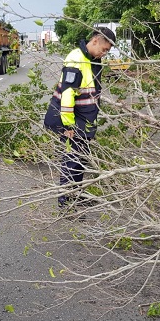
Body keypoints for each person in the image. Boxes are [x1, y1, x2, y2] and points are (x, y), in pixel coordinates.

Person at [43, 27, 115, 207]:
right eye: (104, 49)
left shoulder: (92, 59)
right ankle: (65, 200)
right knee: (71, 160)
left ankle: (75, 195)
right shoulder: (77, 60)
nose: (104, 53)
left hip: (84, 121)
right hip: (73, 121)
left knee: (80, 160)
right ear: (96, 40)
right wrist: (68, 127)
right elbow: (67, 96)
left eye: (107, 51)